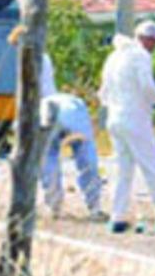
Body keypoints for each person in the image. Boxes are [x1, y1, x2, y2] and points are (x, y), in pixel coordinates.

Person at [98, 20, 155, 234]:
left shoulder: (114, 57)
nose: (154, 46)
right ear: (145, 39)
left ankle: (118, 218)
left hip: (114, 118)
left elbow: (103, 89)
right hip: (135, 119)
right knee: (153, 168)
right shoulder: (140, 55)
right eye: (154, 42)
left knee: (122, 171)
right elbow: (147, 85)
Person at [40, 92, 107, 220]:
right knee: (86, 159)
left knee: (48, 158)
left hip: (45, 114)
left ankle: (54, 207)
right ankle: (94, 207)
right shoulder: (78, 105)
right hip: (72, 114)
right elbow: (88, 159)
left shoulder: (45, 101)